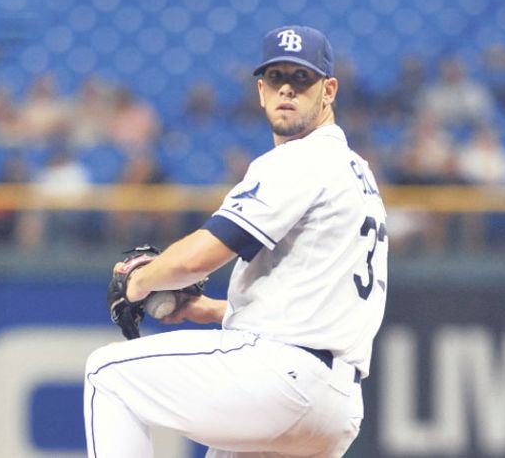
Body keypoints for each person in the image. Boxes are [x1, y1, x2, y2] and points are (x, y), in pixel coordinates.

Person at [84, 25, 389, 458]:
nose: (287, 88)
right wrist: (210, 310)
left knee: (108, 374)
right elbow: (311, 300)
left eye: (302, 78)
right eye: (277, 77)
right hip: (334, 405)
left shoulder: (301, 158)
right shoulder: (356, 172)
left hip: (283, 378)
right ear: (261, 91)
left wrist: (139, 282)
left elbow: (200, 257)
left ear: (329, 90)